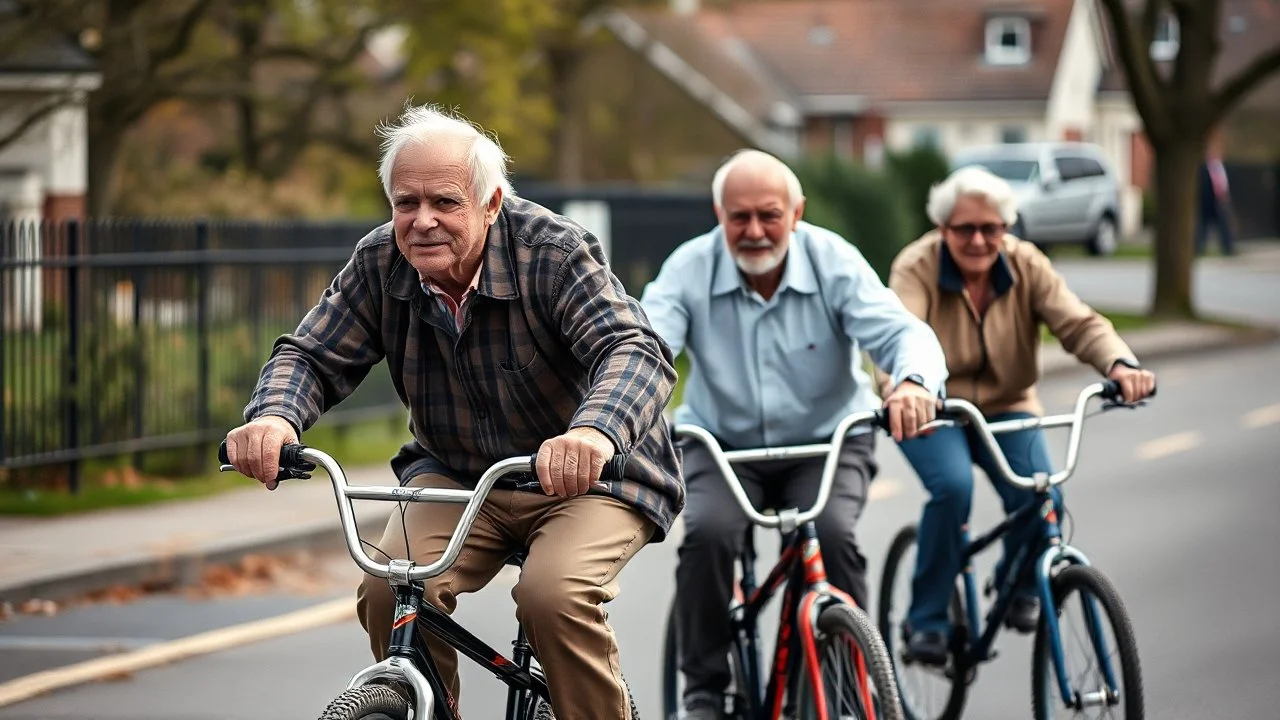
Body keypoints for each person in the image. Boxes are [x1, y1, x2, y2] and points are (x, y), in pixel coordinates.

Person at [222, 103, 682, 720]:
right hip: (461, 477)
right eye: (405, 203)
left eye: (445, 202)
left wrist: (595, 432)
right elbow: (311, 353)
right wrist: (274, 418)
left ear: (491, 203)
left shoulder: (552, 252)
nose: (422, 221)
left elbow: (634, 349)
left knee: (553, 597)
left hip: (590, 479)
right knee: (388, 588)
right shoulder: (380, 261)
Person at [640, 149, 949, 719]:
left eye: (769, 215)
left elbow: (902, 331)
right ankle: (704, 689)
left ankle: (845, 679)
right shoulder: (690, 267)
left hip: (827, 442)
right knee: (709, 534)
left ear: (797, 212)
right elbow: (646, 344)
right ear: (718, 213)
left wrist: (910, 383)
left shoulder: (833, 261)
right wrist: (621, 410)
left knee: (833, 535)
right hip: (722, 445)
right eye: (740, 218)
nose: (754, 231)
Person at [880, 165, 1157, 666]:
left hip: (1009, 403)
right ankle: (926, 621)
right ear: (943, 229)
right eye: (965, 228)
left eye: (992, 228)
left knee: (1043, 492)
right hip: (932, 408)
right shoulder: (916, 266)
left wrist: (1120, 363)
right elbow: (896, 336)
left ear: (1007, 228)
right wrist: (905, 390)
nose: (979, 239)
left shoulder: (1026, 263)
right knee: (953, 489)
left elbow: (1078, 321)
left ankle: (1019, 580)